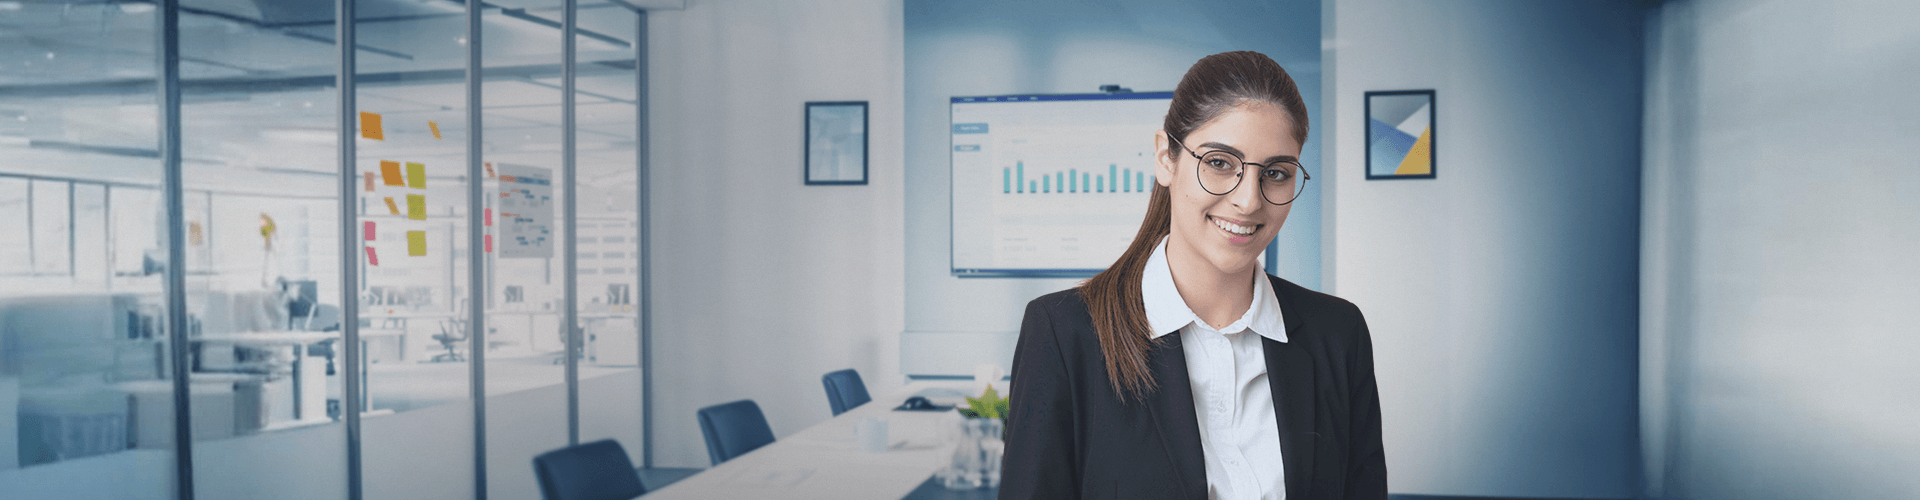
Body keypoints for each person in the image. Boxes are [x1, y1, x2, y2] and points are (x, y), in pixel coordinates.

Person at [1000, 51, 1386, 500]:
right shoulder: (1064, 334)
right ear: (1167, 157)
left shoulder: (1338, 333)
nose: (1248, 201)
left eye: (1276, 173)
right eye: (1221, 163)